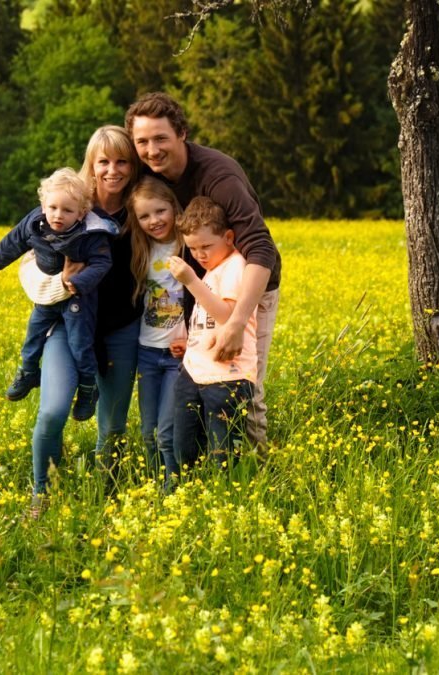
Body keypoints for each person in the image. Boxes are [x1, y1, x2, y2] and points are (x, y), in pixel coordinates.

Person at [125, 92, 280, 451]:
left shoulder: (218, 176)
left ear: (182, 133)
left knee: (241, 381)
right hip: (199, 286)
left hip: (246, 288)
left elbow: (261, 248)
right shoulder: (150, 172)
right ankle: (201, 477)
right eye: (142, 142)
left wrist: (237, 323)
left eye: (161, 138)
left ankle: (252, 469)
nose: (152, 150)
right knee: (197, 385)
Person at [17, 127, 141, 509]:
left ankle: (105, 496)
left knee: (113, 425)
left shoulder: (144, 207)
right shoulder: (68, 202)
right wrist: (61, 284)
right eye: (103, 161)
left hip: (122, 327)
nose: (112, 170)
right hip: (65, 326)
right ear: (92, 163)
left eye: (122, 161)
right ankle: (43, 495)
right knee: (53, 411)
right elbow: (27, 261)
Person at [0, 168, 117, 422]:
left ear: (81, 213)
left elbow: (102, 263)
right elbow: (15, 240)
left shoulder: (91, 233)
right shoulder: (35, 222)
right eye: (53, 207)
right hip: (47, 297)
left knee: (81, 346)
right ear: (43, 205)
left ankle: (88, 388)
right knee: (33, 334)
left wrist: (78, 283)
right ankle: (28, 372)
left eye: (68, 211)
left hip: (78, 299)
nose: (58, 215)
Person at [169, 197, 257, 471]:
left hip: (227, 376)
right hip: (195, 371)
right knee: (183, 448)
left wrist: (191, 280)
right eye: (192, 248)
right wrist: (191, 343)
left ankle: (223, 498)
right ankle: (191, 496)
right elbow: (207, 319)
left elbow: (228, 318)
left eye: (206, 246)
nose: (199, 255)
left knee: (224, 454)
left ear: (229, 237)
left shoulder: (234, 266)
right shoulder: (212, 270)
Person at [127, 176, 186, 485]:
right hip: (147, 351)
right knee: (148, 432)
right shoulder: (141, 249)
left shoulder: (188, 246)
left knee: (166, 431)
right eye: (144, 216)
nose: (153, 221)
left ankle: (173, 489)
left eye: (160, 211)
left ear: (174, 207)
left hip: (178, 355)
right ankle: (152, 486)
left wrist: (191, 333)